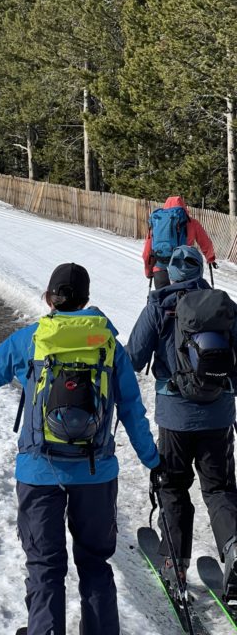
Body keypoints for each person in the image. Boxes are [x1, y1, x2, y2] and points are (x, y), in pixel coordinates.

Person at [0, 263, 160, 635]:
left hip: (38, 472)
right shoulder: (108, 344)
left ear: (50, 297)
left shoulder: (30, 339)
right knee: (95, 565)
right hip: (96, 473)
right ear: (86, 299)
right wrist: (152, 458)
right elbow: (132, 410)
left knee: (44, 567)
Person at [127, 245, 237, 595]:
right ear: (200, 272)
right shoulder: (223, 306)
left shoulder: (159, 305)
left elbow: (133, 357)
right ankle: (236, 548)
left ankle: (175, 563)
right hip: (218, 415)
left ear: (171, 274)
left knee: (173, 485)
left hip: (175, 416)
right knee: (219, 488)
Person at [143, 195, 216, 289]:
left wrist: (149, 271)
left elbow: (147, 253)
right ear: (183, 206)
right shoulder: (192, 223)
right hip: (185, 272)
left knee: (163, 302)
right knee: (185, 302)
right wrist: (210, 258)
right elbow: (206, 243)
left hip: (161, 270)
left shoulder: (158, 223)